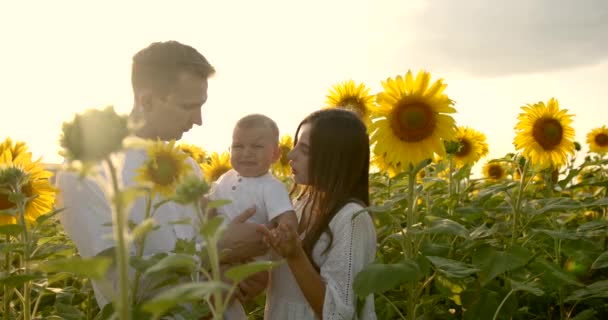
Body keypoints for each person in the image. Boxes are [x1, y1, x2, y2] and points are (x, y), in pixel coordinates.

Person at [56, 41, 268, 309]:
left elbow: (206, 259)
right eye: (188, 106)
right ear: (146, 100)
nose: (199, 120)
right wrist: (216, 252)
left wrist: (240, 276)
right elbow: (121, 287)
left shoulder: (184, 166)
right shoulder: (86, 173)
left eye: (201, 106)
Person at [260, 108, 377, 319]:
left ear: (334, 158)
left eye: (304, 150)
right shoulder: (298, 204)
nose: (291, 155)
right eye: (296, 145)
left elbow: (338, 314)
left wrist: (296, 255)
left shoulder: (351, 218)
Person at [207, 114, 298, 319]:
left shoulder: (271, 186)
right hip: (222, 252)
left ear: (275, 154)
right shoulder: (226, 177)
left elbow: (286, 215)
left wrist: (284, 231)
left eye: (257, 147)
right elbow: (209, 203)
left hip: (251, 258)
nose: (246, 153)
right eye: (238, 146)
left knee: (229, 293)